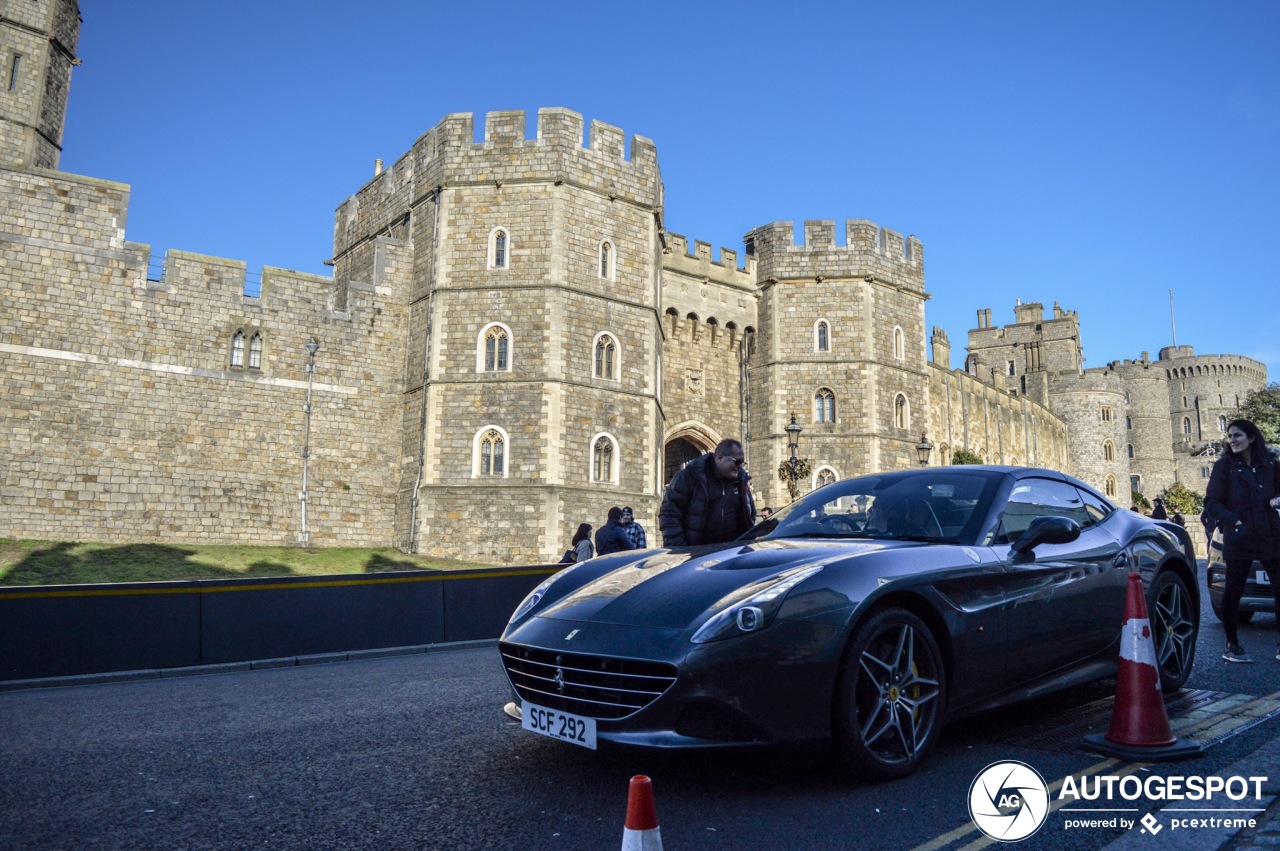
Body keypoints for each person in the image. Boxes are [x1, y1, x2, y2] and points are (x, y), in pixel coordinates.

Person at [1204, 418, 1280, 664]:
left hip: (1270, 533)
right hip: (1240, 536)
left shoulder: (1271, 465)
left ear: (1251, 438)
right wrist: (1233, 521)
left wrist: (1276, 499)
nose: (1232, 440)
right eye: (1230, 436)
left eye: (1237, 435)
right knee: (1233, 591)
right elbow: (1212, 501)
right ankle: (1232, 645)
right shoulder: (1224, 467)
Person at [658, 439, 756, 546]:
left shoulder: (741, 481)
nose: (740, 467)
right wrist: (678, 547)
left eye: (742, 463)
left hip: (731, 552)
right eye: (737, 462)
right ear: (720, 458)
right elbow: (669, 513)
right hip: (695, 554)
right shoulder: (690, 476)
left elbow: (750, 514)